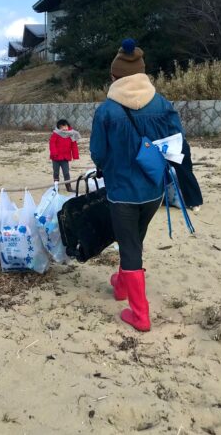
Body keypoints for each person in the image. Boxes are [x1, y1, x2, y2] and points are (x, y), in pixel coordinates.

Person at [90, 39, 185, 332]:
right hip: (154, 191)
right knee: (133, 240)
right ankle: (120, 285)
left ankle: (140, 315)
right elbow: (176, 144)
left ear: (115, 77)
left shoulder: (107, 111)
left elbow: (98, 153)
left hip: (122, 192)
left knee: (130, 246)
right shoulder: (162, 104)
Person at [49, 119, 80, 192]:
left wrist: (75, 155)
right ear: (59, 128)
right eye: (62, 127)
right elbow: (52, 144)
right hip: (56, 158)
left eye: (65, 126)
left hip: (65, 158)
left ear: (68, 126)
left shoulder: (71, 134)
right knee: (56, 173)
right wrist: (54, 153)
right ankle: (56, 187)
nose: (64, 128)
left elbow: (74, 145)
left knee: (66, 173)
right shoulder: (55, 134)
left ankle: (68, 187)